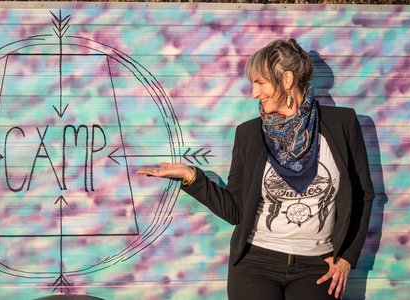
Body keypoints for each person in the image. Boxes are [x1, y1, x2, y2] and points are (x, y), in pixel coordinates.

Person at [136, 39, 374, 300]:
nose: (254, 93)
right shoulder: (249, 134)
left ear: (286, 79)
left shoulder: (342, 124)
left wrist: (347, 258)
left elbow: (363, 195)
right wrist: (192, 178)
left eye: (259, 82)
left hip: (317, 266)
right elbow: (236, 210)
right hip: (255, 263)